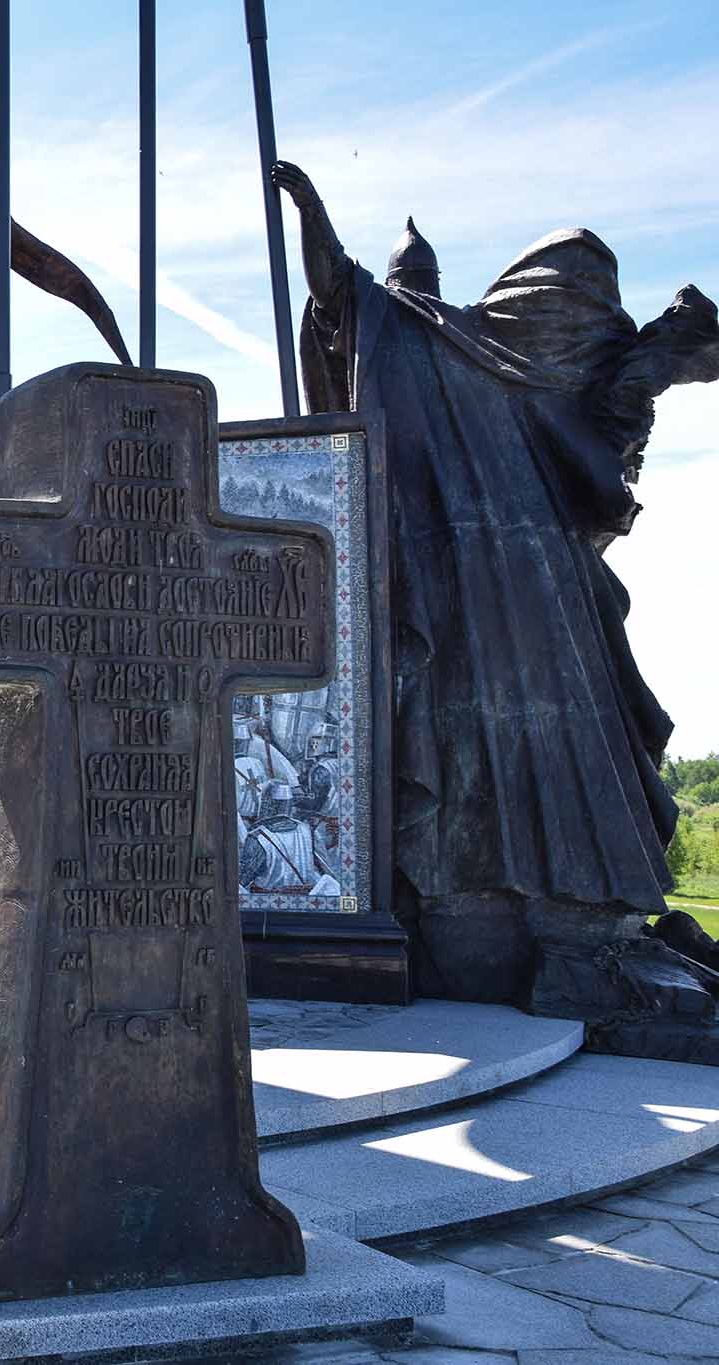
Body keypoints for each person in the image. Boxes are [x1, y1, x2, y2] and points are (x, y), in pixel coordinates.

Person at [274, 159, 719, 1005]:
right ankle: (534, 916)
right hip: (484, 587)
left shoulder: (461, 342)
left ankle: (577, 918)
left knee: (544, 732)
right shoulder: (444, 339)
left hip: (514, 584)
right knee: (496, 741)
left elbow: (337, 295)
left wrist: (312, 215)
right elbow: (338, 297)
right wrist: (311, 213)